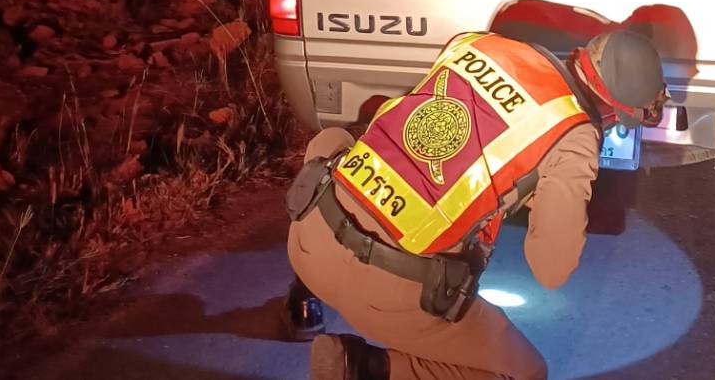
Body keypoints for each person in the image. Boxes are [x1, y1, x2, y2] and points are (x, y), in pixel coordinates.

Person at [283, 26, 668, 380]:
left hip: (310, 234)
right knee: (525, 372)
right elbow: (551, 269)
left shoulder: (478, 44)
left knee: (336, 141)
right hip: (387, 293)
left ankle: (305, 295)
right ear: (613, 109)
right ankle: (364, 368)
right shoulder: (574, 135)